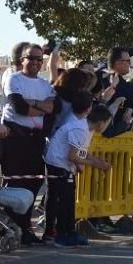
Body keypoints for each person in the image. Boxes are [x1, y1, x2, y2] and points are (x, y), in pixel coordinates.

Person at [0, 42, 56, 245]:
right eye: (31, 58)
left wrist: (33, 104)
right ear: (22, 59)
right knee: (15, 184)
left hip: (35, 139)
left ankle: (25, 229)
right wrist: (40, 106)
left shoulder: (44, 84)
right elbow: (19, 107)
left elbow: (52, 109)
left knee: (33, 184)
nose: (35, 62)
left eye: (40, 59)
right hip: (15, 138)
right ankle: (11, 228)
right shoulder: (13, 79)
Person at [43, 93, 112, 248]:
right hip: (58, 164)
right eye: (107, 123)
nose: (106, 126)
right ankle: (61, 235)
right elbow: (73, 155)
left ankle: (69, 231)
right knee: (63, 200)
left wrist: (94, 159)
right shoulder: (80, 129)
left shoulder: (87, 130)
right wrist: (95, 164)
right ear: (100, 122)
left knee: (69, 200)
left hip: (64, 164)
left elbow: (79, 151)